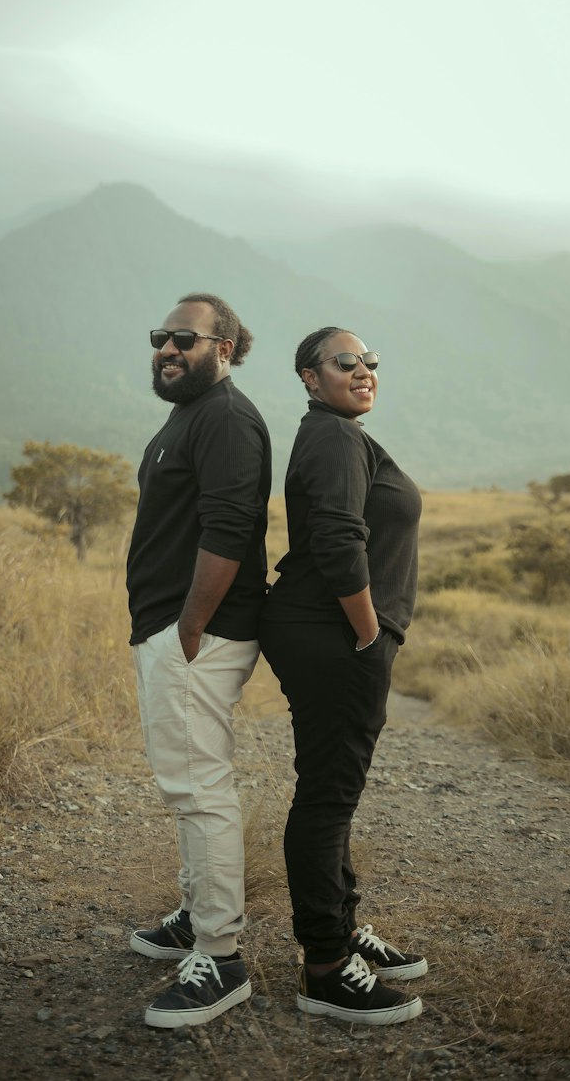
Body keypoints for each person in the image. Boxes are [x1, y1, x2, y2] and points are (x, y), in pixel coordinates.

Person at [259, 326, 425, 1026]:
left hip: (328, 634)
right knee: (328, 797)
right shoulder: (332, 437)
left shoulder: (338, 434)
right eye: (346, 361)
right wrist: (368, 631)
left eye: (371, 362)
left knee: (331, 791)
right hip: (335, 636)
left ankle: (343, 928)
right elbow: (335, 539)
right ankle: (325, 968)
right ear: (308, 375)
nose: (364, 371)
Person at [126, 293, 271, 1030]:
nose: (168, 348)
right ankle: (195, 914)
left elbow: (231, 524)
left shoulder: (228, 419)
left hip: (197, 633)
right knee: (185, 784)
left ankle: (221, 956)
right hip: (175, 627)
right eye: (162, 337)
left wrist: (189, 624)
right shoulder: (190, 414)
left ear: (226, 346)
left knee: (199, 786)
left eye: (185, 337)